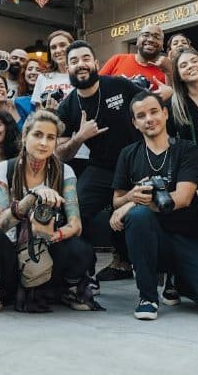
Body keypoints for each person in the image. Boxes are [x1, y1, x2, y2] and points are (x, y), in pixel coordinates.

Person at [111, 91, 198, 320]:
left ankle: (182, 282)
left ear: (165, 113)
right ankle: (147, 297)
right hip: (150, 241)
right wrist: (130, 198)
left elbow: (183, 198)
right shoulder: (128, 154)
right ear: (135, 123)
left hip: (187, 239)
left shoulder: (186, 149)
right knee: (139, 217)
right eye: (141, 115)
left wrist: (131, 205)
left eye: (154, 111)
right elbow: (117, 200)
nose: (149, 119)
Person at [0, 110, 100, 315]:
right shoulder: (5, 169)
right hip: (12, 259)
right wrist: (32, 197)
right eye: (37, 135)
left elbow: (76, 225)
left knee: (80, 248)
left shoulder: (65, 172)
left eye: (51, 137)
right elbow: (1, 223)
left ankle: (68, 289)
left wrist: (54, 235)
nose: (44, 142)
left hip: (49, 256)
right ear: (24, 136)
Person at [56, 40, 145, 282]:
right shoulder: (67, 107)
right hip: (101, 167)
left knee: (142, 212)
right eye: (74, 61)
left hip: (136, 162)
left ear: (95, 64)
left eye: (85, 59)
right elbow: (60, 154)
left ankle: (131, 263)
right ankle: (83, 272)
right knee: (74, 210)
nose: (80, 65)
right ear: (67, 69)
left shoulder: (119, 85)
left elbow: (151, 106)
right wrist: (80, 138)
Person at [99, 25, 173, 100]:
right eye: (145, 35)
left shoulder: (166, 70)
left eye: (157, 37)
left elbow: (176, 99)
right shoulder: (117, 59)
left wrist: (169, 72)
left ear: (162, 45)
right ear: (137, 41)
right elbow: (96, 87)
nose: (151, 39)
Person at [32, 29, 75, 105]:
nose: (58, 50)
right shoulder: (43, 77)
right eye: (53, 47)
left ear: (72, 47)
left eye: (62, 45)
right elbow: (38, 109)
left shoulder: (80, 74)